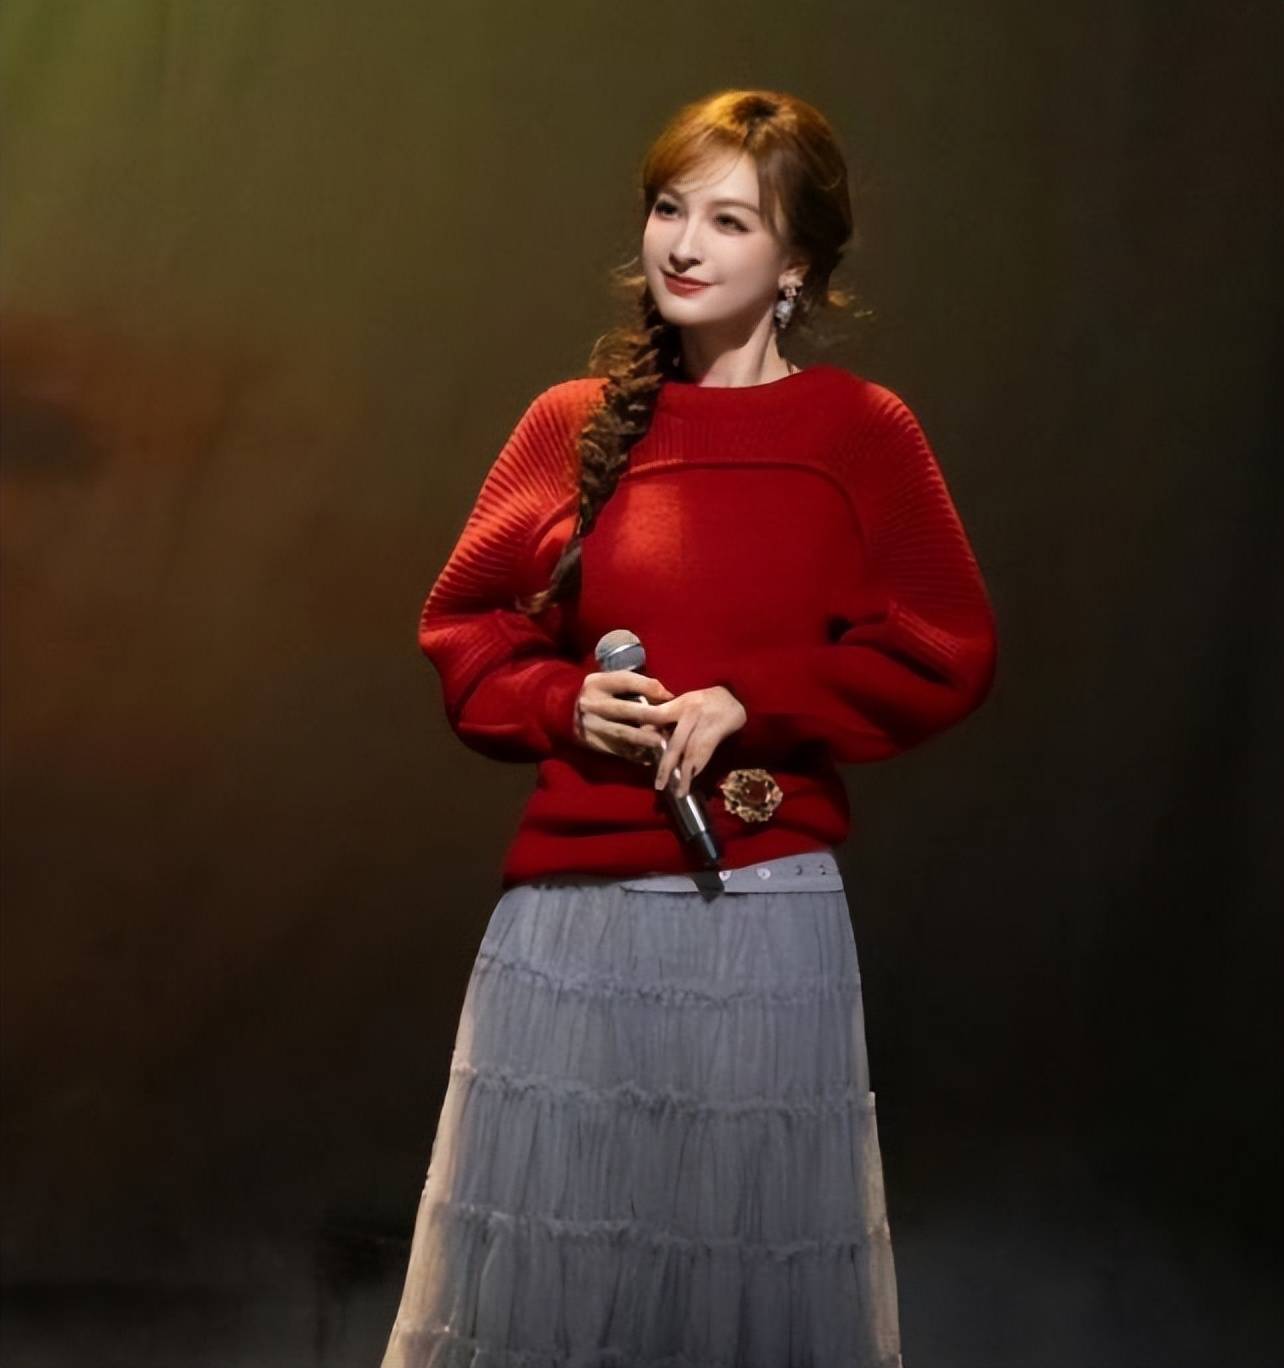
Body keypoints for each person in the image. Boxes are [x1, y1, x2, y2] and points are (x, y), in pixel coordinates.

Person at [381, 87, 997, 1368]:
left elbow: (945, 646)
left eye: (730, 220)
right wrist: (563, 700)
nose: (685, 244)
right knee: (552, 1275)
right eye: (671, 209)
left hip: (763, 908)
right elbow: (465, 629)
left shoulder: (859, 431)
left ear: (797, 263)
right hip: (572, 916)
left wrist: (755, 700)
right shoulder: (568, 423)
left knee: (743, 1266)